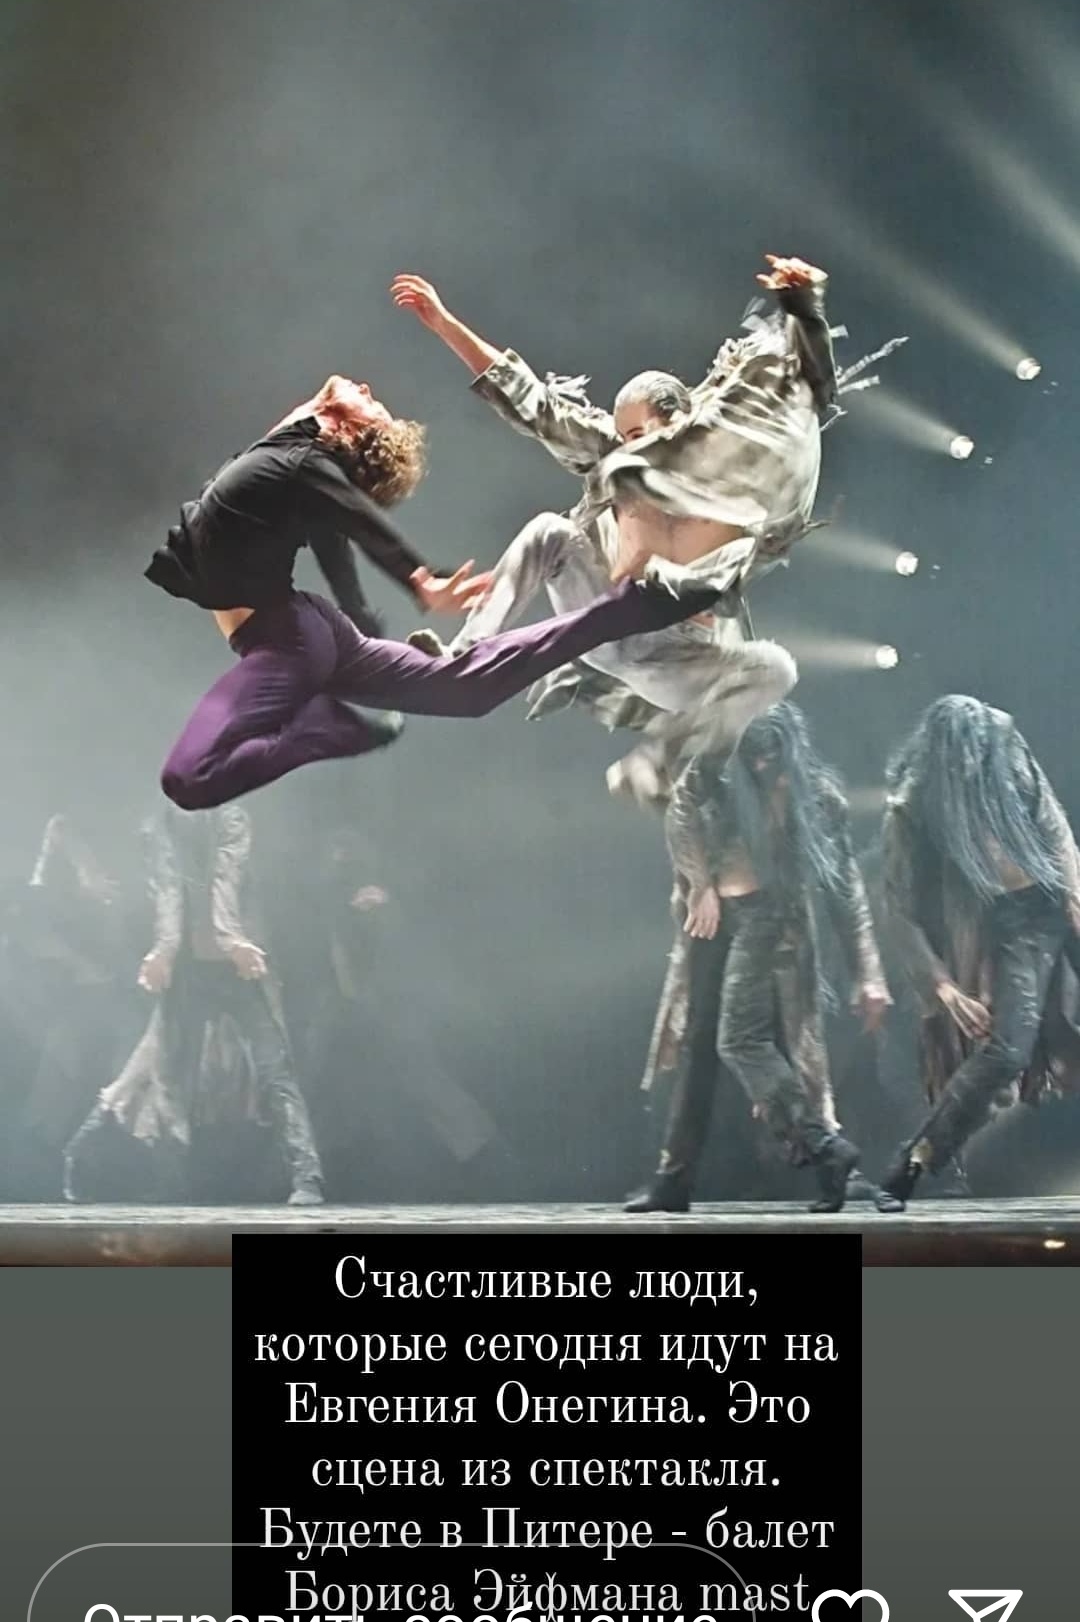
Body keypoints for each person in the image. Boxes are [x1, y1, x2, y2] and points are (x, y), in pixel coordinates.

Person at [393, 260, 904, 801]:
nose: (631, 447)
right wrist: (446, 324)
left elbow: (809, 389)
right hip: (603, 621)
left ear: (679, 419)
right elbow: (534, 405)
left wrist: (805, 305)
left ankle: (664, 766)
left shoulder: (731, 464)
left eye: (639, 433)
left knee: (774, 668)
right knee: (549, 531)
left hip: (673, 658)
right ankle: (463, 658)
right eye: (624, 437)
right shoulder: (621, 458)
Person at [146, 374, 719, 811]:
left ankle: (320, 730)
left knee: (187, 779)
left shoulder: (301, 464)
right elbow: (334, 540)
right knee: (463, 691)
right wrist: (359, 619)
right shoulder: (290, 453)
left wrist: (417, 577)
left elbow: (358, 519)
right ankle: (629, 610)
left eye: (372, 405)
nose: (367, 389)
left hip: (287, 642)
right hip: (313, 632)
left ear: (348, 432)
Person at [626, 703, 894, 1214]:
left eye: (773, 760)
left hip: (774, 925)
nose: (765, 769)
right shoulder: (715, 773)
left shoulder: (817, 798)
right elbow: (681, 815)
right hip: (712, 922)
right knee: (700, 1041)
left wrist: (869, 971)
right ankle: (675, 1177)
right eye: (756, 760)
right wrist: (700, 884)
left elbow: (845, 887)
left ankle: (832, 1155)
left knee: (779, 1043)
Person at [63, 802, 324, 1205]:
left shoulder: (231, 819)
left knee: (274, 1071)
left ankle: (307, 1177)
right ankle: (111, 1165)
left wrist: (230, 941)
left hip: (239, 970)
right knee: (160, 1073)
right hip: (189, 972)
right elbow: (168, 891)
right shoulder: (157, 827)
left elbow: (225, 878)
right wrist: (165, 951)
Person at [877, 696, 1080, 1208]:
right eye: (963, 757)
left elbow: (1054, 828)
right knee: (1007, 1051)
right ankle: (918, 1157)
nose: (974, 764)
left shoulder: (1007, 752)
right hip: (1011, 924)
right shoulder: (914, 802)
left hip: (1055, 901)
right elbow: (898, 909)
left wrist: (1075, 896)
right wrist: (943, 986)